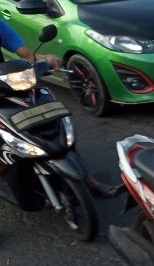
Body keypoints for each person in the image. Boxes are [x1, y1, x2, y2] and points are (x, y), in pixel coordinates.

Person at [0, 21, 122, 198]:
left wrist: (44, 59)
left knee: (51, 120)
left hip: (5, 86)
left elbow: (26, 55)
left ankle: (89, 181)